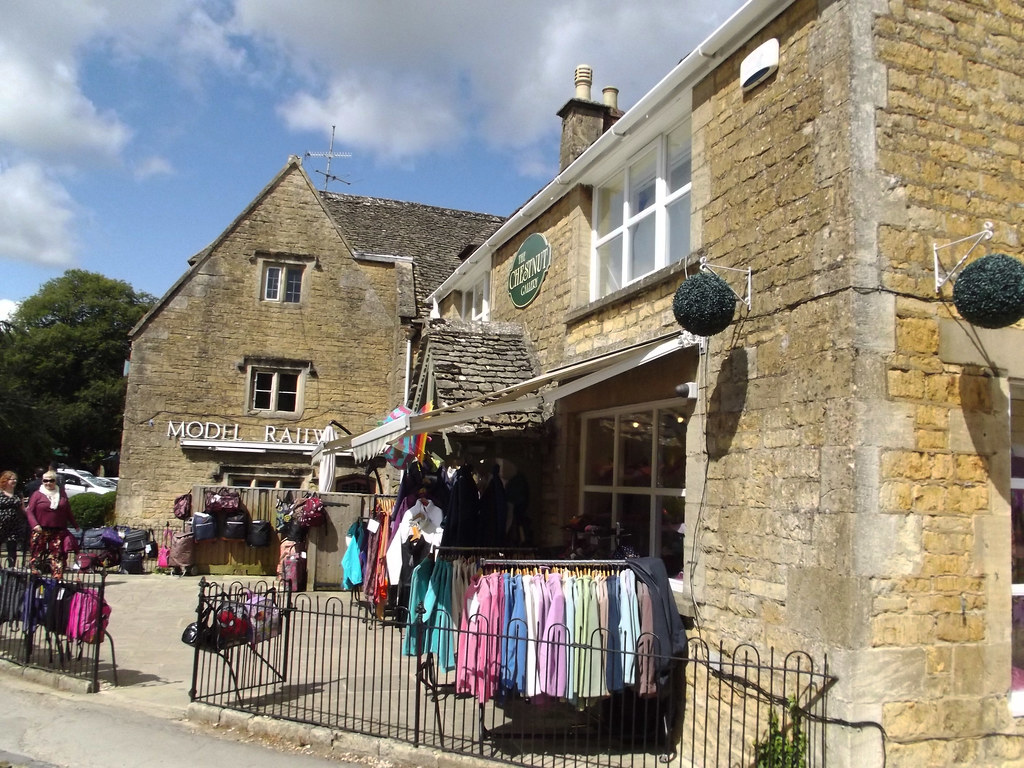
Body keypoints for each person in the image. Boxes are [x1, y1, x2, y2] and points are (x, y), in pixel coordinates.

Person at [25, 470, 79, 578]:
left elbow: (67, 510)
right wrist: (35, 525)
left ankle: (57, 576)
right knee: (37, 552)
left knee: (57, 553)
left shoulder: (61, 494)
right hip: (41, 528)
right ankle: (35, 574)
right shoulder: (37, 494)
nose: (48, 483)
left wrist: (75, 525)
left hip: (57, 528)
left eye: (51, 481)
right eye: (45, 481)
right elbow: (29, 511)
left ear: (55, 481)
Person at [0, 471, 28, 567]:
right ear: (6, 480)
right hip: (1, 524)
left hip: (14, 525)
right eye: (12, 479)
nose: (15, 481)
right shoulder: (0, 492)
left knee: (12, 547)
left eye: (16, 479)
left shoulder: (18, 494)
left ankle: (11, 568)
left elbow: (23, 509)